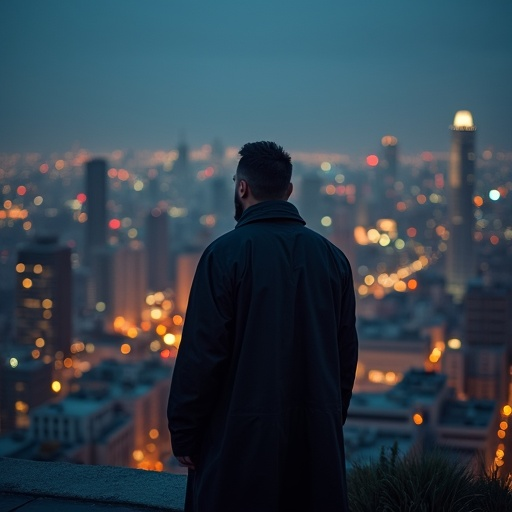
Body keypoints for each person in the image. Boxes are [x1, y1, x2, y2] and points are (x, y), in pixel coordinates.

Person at [168, 141, 358, 512]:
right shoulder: (333, 259)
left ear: (242, 187)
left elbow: (201, 356)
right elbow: (344, 358)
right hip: (314, 446)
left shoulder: (224, 255)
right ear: (288, 191)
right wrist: (326, 423)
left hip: (237, 446)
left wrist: (186, 436)